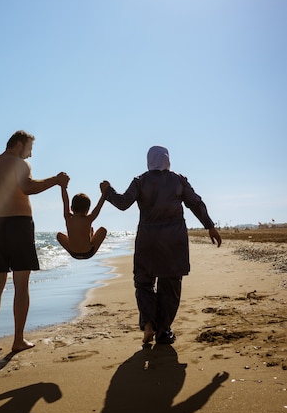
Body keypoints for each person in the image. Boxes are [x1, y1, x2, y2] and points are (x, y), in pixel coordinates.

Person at [0, 130, 69, 356]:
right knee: (21, 284)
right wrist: (56, 181)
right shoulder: (20, 164)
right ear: (19, 145)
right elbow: (28, 187)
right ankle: (18, 340)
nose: (29, 155)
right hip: (19, 225)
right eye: (29, 149)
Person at [101, 145, 221, 346]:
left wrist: (108, 191)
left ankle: (148, 324)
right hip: (173, 241)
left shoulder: (141, 181)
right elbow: (195, 203)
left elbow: (122, 203)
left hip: (148, 239)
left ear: (149, 161)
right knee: (170, 285)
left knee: (144, 283)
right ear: (167, 160)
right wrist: (209, 226)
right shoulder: (178, 180)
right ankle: (163, 331)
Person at [56, 185, 107, 259]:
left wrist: (63, 187)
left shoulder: (68, 217)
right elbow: (98, 207)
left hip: (73, 253)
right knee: (103, 230)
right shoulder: (88, 219)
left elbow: (65, 201)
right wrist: (103, 194)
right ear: (87, 209)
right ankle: (90, 238)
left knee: (59, 235)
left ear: (71, 208)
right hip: (88, 253)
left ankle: (86, 239)